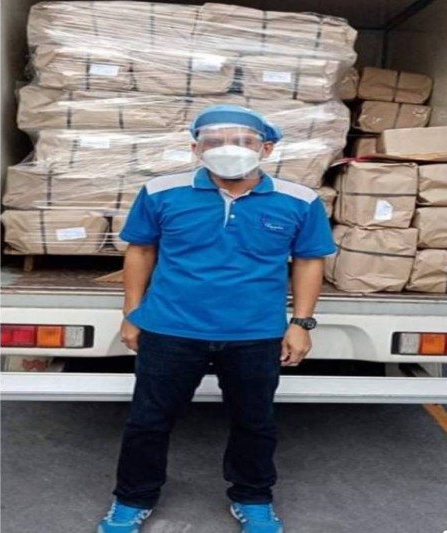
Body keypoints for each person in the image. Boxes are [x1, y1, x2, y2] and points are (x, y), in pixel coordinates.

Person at [98, 105, 336, 533]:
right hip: (171, 328)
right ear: (196, 149)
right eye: (214, 141)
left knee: (255, 422)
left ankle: (253, 497)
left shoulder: (299, 201)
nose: (228, 149)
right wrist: (132, 313)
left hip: (255, 333)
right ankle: (132, 499)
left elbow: (308, 260)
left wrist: (301, 323)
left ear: (266, 148)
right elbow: (141, 250)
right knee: (148, 421)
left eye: (243, 141)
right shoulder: (161, 192)